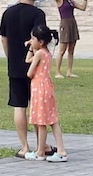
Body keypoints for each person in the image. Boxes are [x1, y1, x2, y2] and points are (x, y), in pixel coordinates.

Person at [0, 0, 50, 158]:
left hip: (14, 65)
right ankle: (41, 145)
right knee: (36, 107)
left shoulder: (8, 13)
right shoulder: (38, 14)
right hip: (34, 67)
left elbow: (4, 39)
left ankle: (24, 146)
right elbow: (40, 39)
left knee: (19, 106)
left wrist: (10, 56)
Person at [28, 25, 67, 162]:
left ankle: (40, 152)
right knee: (52, 120)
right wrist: (31, 47)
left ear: (41, 41)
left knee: (41, 121)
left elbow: (29, 72)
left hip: (39, 89)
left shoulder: (39, 54)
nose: (31, 41)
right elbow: (28, 59)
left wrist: (32, 50)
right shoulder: (47, 53)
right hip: (47, 88)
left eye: (33, 38)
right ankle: (61, 150)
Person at [55, 0, 84, 79]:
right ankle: (57, 72)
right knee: (62, 50)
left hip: (72, 23)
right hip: (65, 24)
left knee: (71, 50)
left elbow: (82, 8)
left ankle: (69, 71)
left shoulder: (70, 0)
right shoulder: (59, 0)